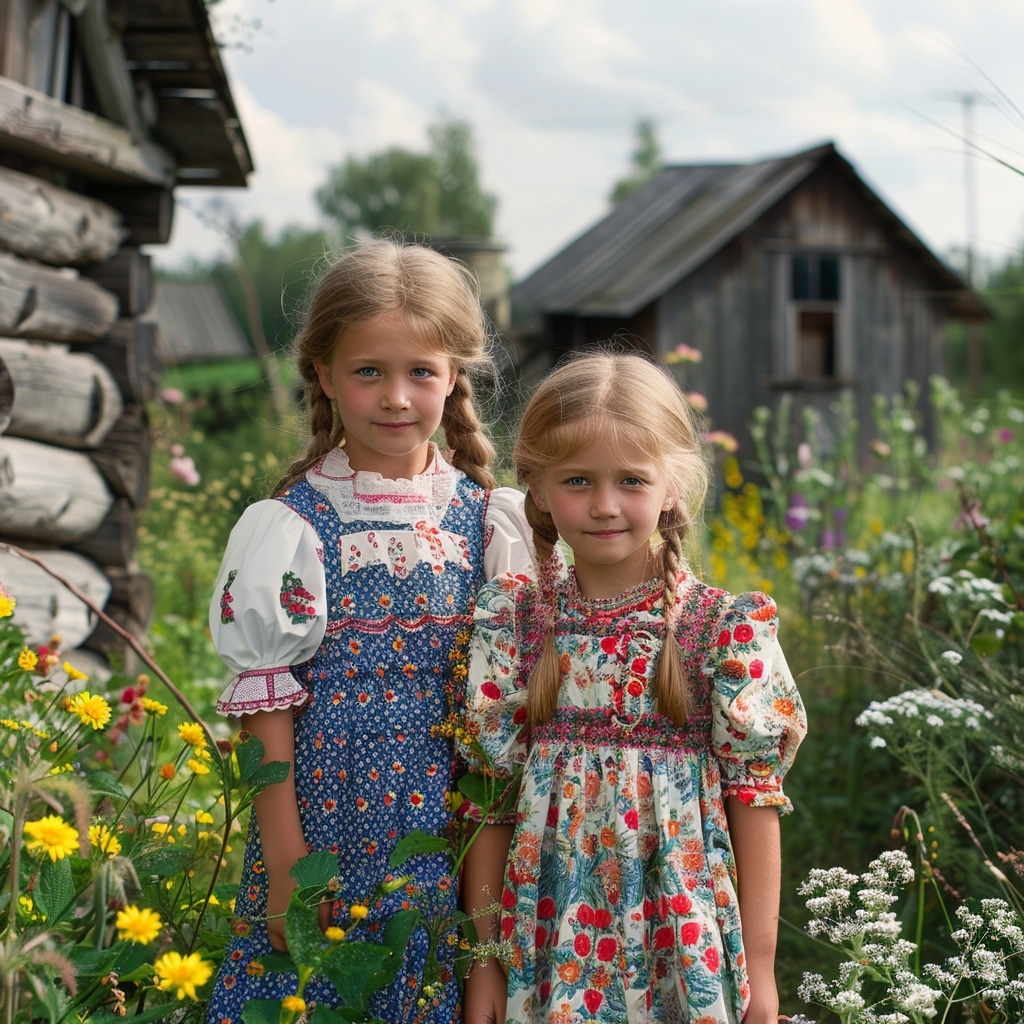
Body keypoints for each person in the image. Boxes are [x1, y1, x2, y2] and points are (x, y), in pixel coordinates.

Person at [204, 239, 536, 1024]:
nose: (396, 397)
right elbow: (263, 710)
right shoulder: (290, 527)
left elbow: (503, 711)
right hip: (323, 820)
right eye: (368, 372)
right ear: (322, 374)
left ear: (453, 375)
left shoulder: (492, 521)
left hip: (452, 829)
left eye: (420, 371)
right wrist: (288, 866)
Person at [460, 349, 807, 1024]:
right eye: (579, 481)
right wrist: (486, 962)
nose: (606, 505)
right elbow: (491, 806)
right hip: (550, 938)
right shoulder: (515, 623)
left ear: (673, 485)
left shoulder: (719, 631)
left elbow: (755, 801)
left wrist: (759, 972)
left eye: (632, 481)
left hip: (680, 938)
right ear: (535, 485)